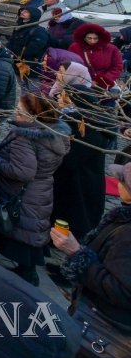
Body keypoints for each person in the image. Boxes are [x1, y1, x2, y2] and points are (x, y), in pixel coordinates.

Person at [52, 161, 131, 358]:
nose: (117, 183)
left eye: (122, 181)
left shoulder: (127, 235)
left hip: (104, 338)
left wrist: (76, 253)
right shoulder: (124, 218)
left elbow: (122, 290)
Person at [0, 93, 70, 285]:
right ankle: (26, 272)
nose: (16, 112)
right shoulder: (54, 133)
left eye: (20, 110)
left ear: (33, 115)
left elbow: (21, 171)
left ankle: (27, 277)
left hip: (25, 192)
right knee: (31, 230)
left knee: (24, 231)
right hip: (41, 189)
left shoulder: (25, 137)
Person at [52, 62, 117, 240]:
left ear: (74, 102)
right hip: (79, 181)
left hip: (80, 183)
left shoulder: (87, 127)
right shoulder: (81, 119)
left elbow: (70, 159)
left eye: (63, 97)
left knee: (74, 219)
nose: (59, 100)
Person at [68, 22, 123, 90]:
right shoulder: (75, 48)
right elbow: (71, 65)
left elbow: (117, 67)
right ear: (84, 37)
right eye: (89, 38)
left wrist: (103, 80)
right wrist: (84, 80)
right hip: (82, 83)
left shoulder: (112, 49)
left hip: (105, 84)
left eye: (95, 38)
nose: (92, 41)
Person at [9, 6, 51, 84]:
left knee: (29, 87)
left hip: (30, 65)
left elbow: (33, 48)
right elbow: (12, 41)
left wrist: (16, 53)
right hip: (17, 63)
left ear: (33, 15)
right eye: (22, 11)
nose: (22, 12)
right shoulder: (19, 27)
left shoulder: (39, 31)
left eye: (26, 12)